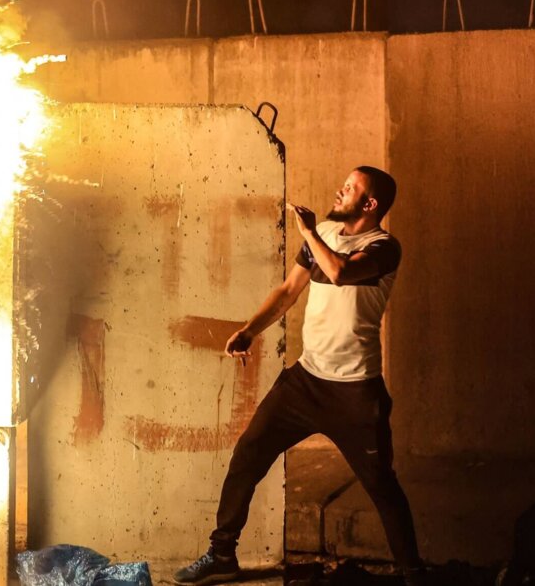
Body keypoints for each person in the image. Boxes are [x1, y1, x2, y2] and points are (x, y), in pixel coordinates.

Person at [174, 166, 427, 586]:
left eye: (349, 188)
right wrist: (250, 330)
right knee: (249, 452)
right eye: (342, 183)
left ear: (369, 205)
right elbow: (289, 290)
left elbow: (341, 273)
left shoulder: (384, 247)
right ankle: (222, 553)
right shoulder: (325, 232)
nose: (338, 189)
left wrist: (310, 232)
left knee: (382, 486)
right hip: (306, 382)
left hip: (355, 393)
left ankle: (413, 574)